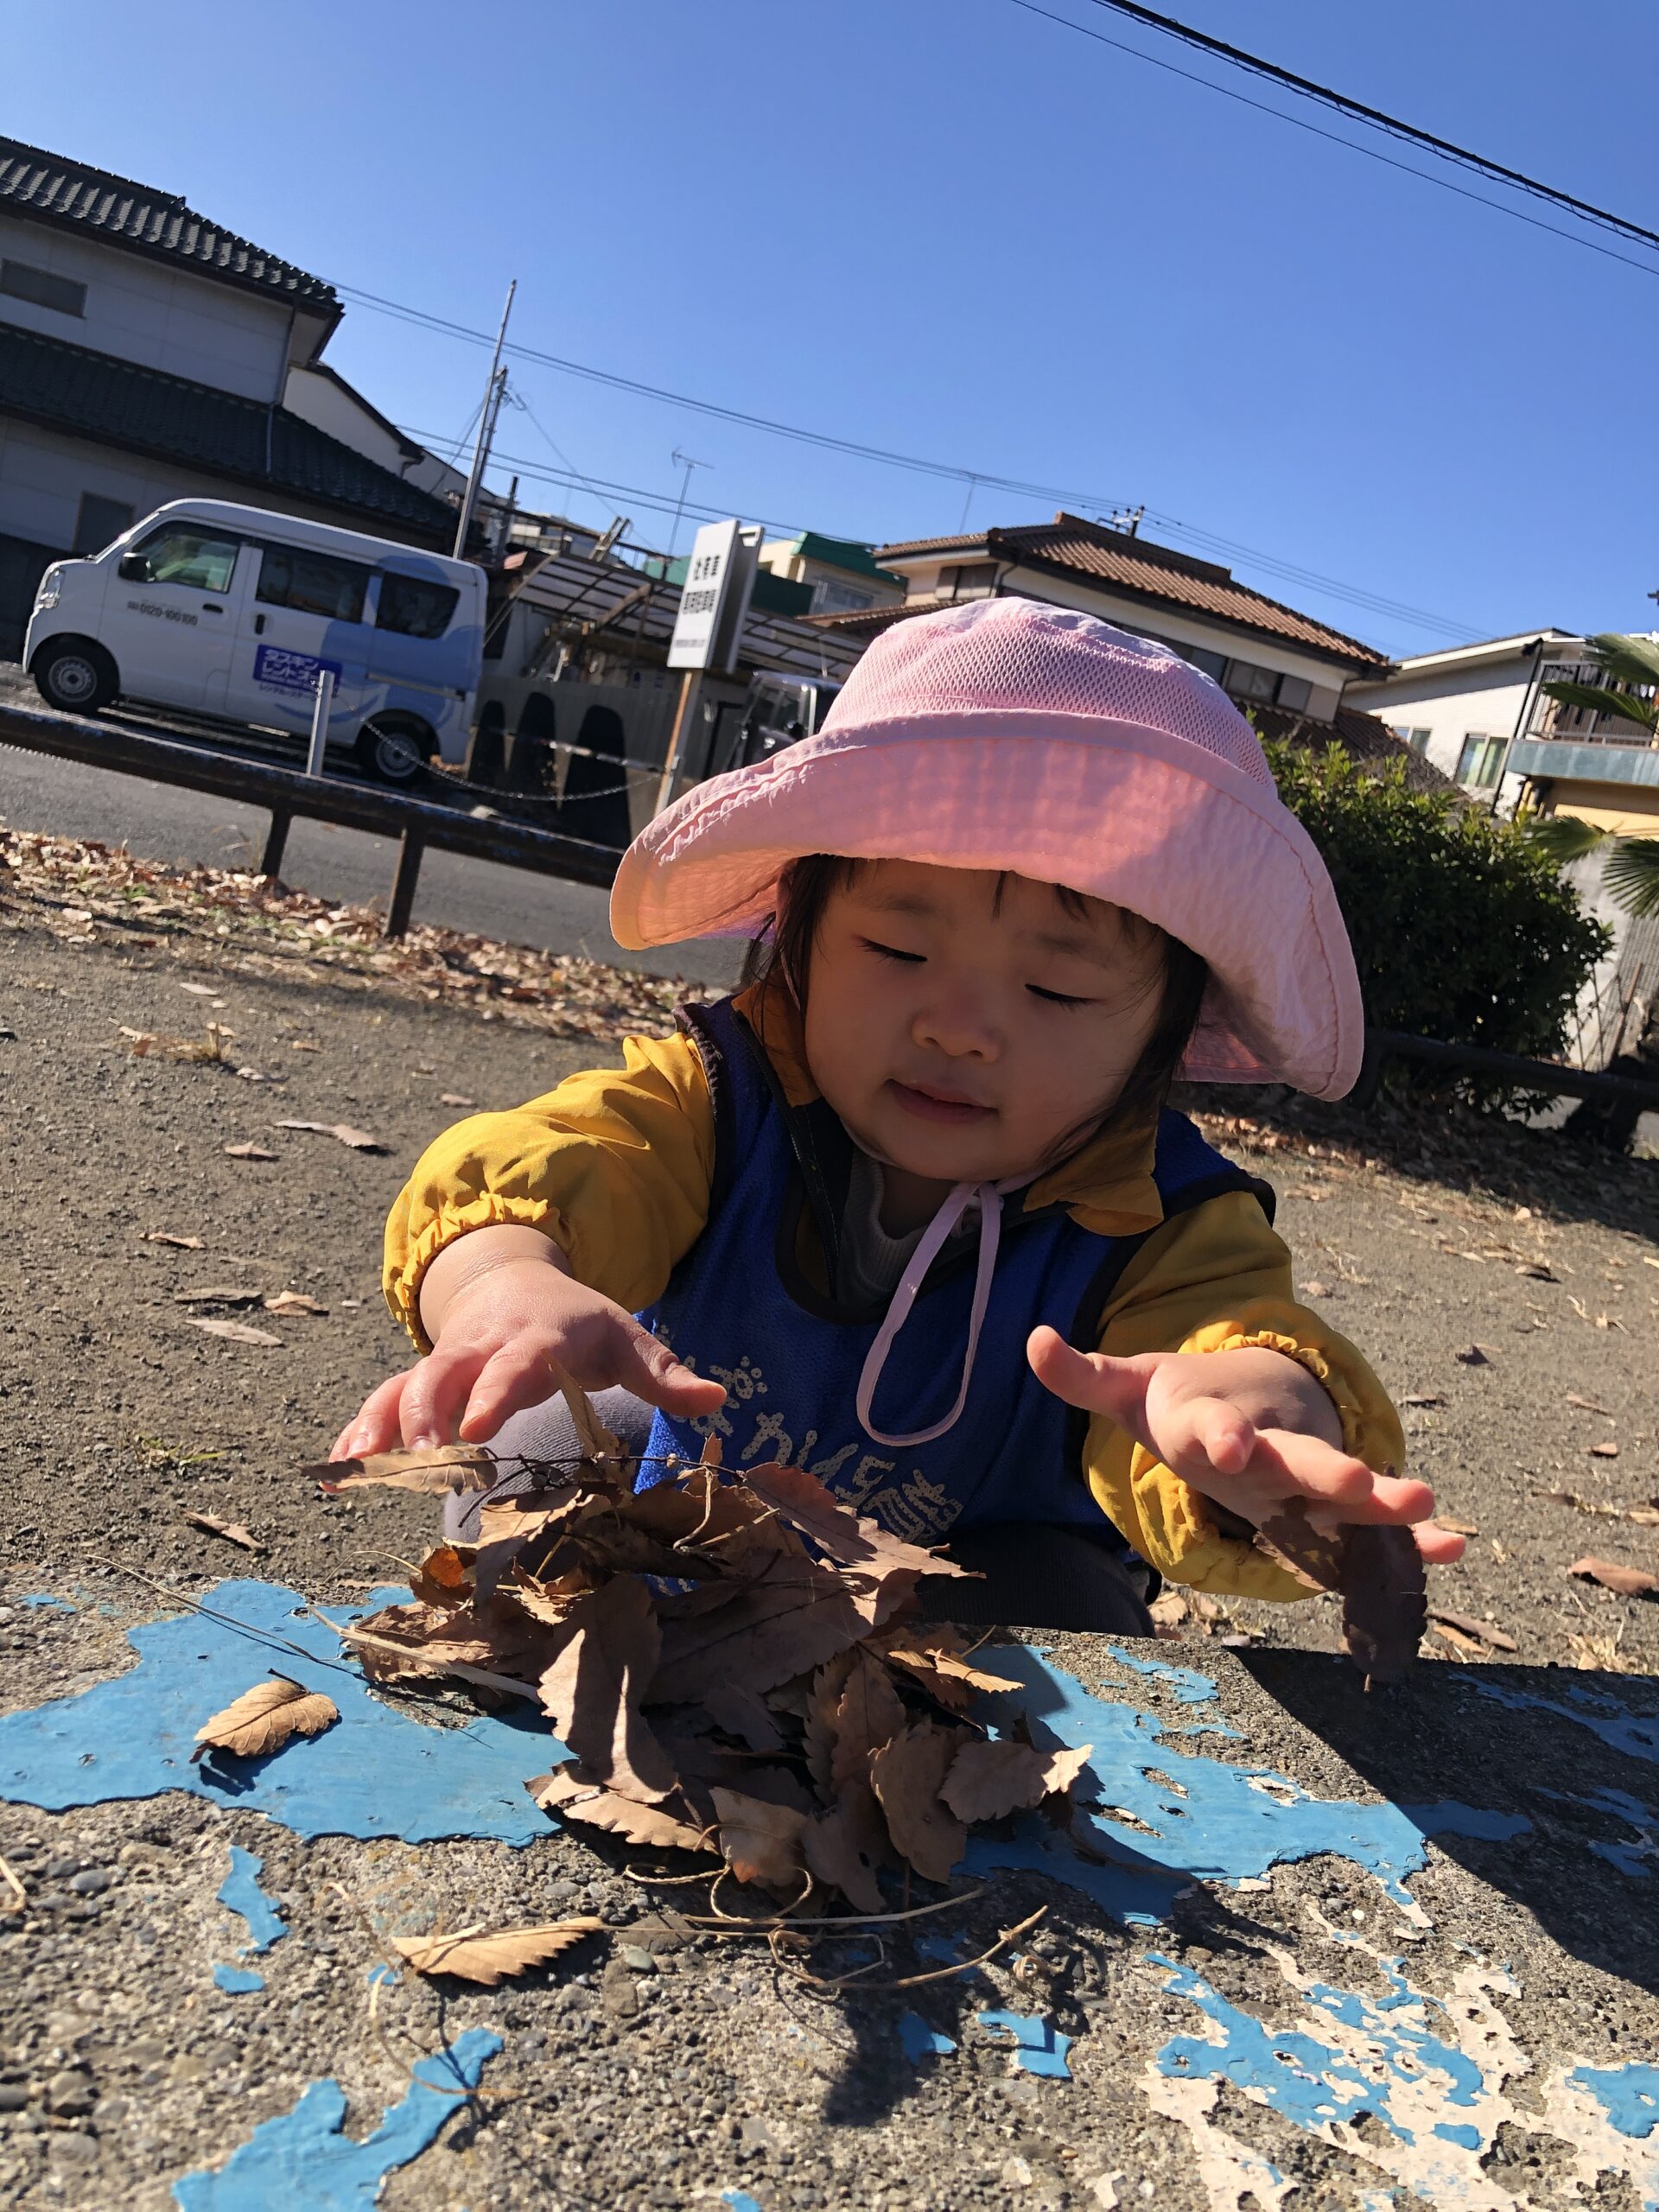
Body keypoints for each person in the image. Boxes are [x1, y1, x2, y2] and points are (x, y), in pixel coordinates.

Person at [336, 599, 1462, 1632]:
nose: (960, 1029)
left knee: (1082, 1623)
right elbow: (557, 1157)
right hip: (699, 1502)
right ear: (801, 939)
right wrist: (504, 1283)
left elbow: (1219, 1334)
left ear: (1162, 1038)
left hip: (977, 1574)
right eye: (897, 949)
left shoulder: (1163, 1220)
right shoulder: (725, 1096)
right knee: (530, 1444)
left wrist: (1249, 1427)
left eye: (1056, 990)